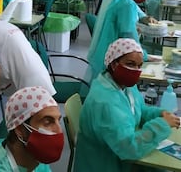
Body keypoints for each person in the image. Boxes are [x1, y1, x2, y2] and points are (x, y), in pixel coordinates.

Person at [74, 38, 180, 172]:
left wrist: (160, 114)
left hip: (120, 155)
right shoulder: (104, 101)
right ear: (113, 64)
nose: (136, 70)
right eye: (130, 64)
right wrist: (162, 125)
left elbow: (138, 111)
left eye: (139, 65)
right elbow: (129, 148)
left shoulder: (124, 86)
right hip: (106, 164)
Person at [87, 0, 158, 82]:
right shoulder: (126, 2)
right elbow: (129, 36)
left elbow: (135, 10)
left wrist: (145, 18)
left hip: (101, 49)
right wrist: (143, 55)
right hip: (114, 52)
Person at [0, 86, 63, 172]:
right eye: (47, 122)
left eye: (58, 120)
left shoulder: (38, 157)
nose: (59, 131)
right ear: (20, 130)